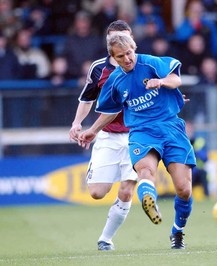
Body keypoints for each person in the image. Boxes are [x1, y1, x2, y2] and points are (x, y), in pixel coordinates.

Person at [77, 31, 196, 250]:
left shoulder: (151, 63)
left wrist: (161, 82)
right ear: (114, 57)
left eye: (129, 53)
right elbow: (110, 112)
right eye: (120, 56)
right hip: (142, 132)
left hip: (171, 127)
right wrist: (93, 130)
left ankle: (177, 231)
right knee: (145, 172)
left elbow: (176, 78)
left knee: (184, 189)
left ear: (135, 49)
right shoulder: (114, 81)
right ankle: (149, 201)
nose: (127, 59)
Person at [69, 20, 138, 251]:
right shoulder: (98, 68)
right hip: (108, 136)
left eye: (126, 38)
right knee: (97, 193)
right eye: (116, 38)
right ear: (108, 42)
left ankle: (105, 239)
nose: (122, 44)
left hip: (137, 135)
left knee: (126, 190)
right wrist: (77, 123)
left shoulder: (142, 64)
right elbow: (87, 98)